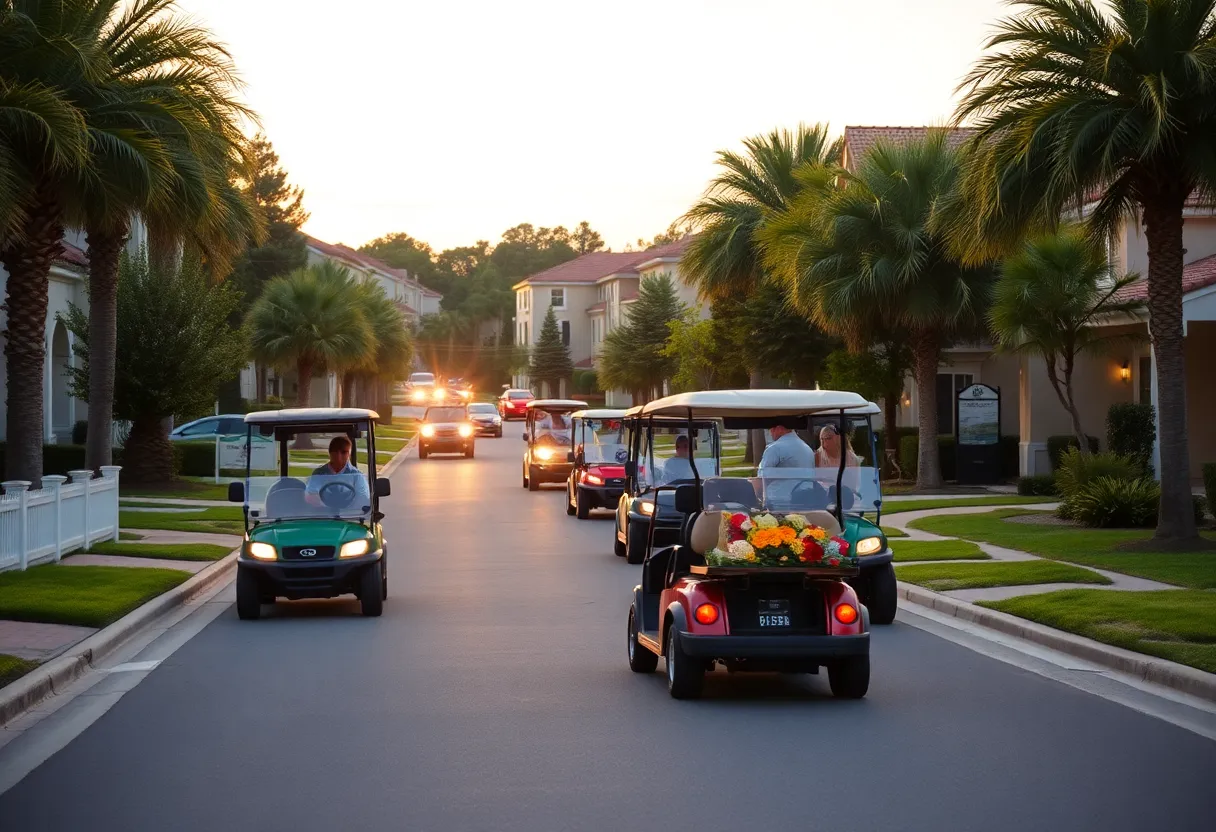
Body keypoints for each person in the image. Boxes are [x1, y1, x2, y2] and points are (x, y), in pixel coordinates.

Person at [305, 435, 370, 508]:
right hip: (323, 514)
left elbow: (362, 498)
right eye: (335, 452)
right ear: (330, 453)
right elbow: (311, 495)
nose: (339, 457)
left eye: (343, 452)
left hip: (349, 515)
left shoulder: (356, 475)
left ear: (349, 454)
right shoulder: (319, 473)